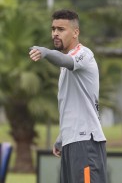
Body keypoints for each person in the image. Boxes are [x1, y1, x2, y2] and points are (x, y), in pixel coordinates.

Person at [29, 9, 107, 183]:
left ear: (76, 32)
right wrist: (63, 136)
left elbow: (66, 61)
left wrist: (46, 52)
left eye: (61, 29)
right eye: (53, 29)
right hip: (72, 141)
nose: (55, 33)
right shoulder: (66, 65)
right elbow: (74, 105)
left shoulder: (84, 54)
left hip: (86, 142)